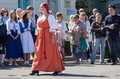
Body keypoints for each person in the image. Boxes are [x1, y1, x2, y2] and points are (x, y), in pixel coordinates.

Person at [30, 3, 65, 75]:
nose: (40, 8)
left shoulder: (50, 16)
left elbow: (54, 27)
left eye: (42, 7)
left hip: (48, 36)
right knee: (39, 52)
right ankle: (36, 68)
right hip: (40, 36)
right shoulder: (40, 17)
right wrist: (37, 37)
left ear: (46, 8)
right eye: (40, 7)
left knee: (51, 52)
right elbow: (38, 28)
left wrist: (52, 37)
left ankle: (56, 68)